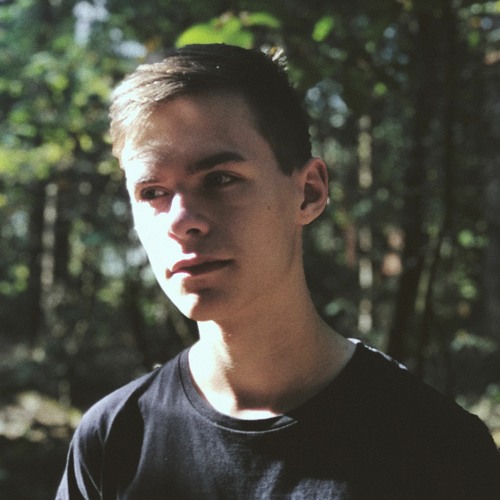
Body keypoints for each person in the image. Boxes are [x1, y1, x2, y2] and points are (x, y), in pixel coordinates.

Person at [56, 44, 500, 499]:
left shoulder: (436, 448)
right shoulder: (114, 439)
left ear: (308, 192)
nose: (181, 220)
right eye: (152, 192)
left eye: (220, 179)